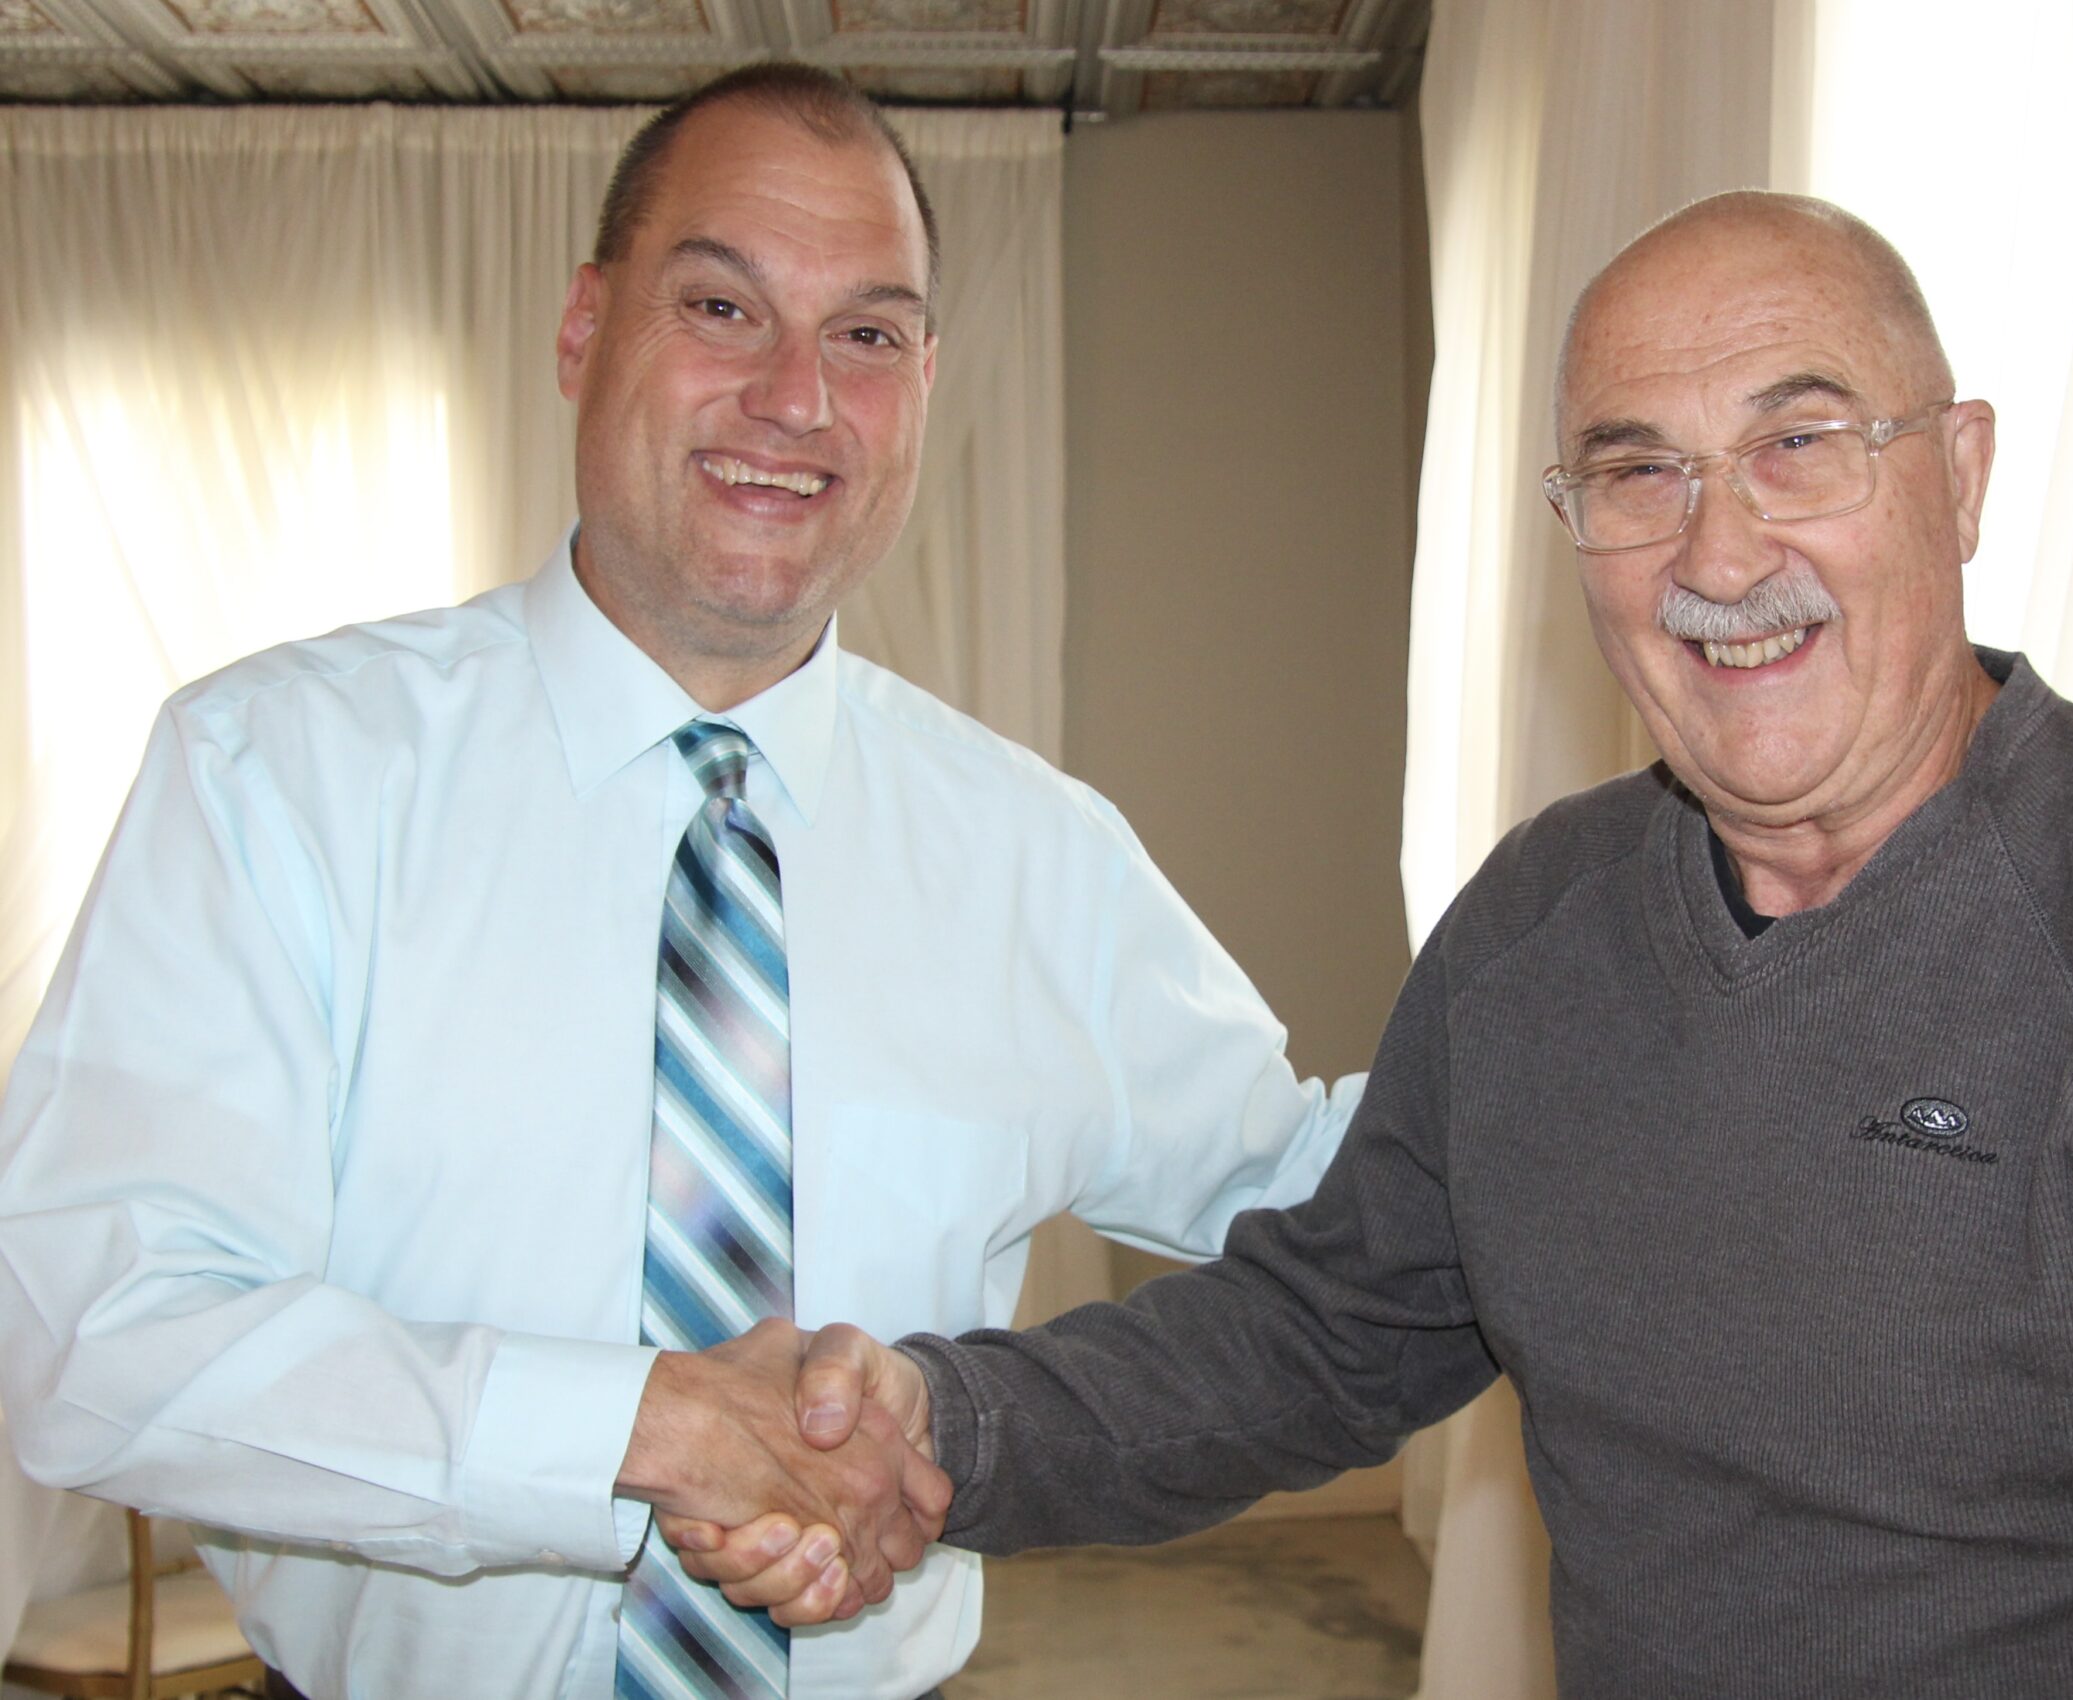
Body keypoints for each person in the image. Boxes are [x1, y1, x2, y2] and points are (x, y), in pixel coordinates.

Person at [684, 191, 2073, 1696]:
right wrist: (947, 1420)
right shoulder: (1542, 930)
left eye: (1801, 442)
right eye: (1637, 470)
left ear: (1963, 473)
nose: (1720, 554)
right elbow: (1326, 1330)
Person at [0, 65, 1365, 1700]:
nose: (796, 397)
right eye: (723, 304)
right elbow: (88, 1330)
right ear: (585, 331)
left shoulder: (1040, 854)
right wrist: (643, 1432)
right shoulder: (274, 775)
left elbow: (1317, 1196)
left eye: (867, 334)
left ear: (926, 383)